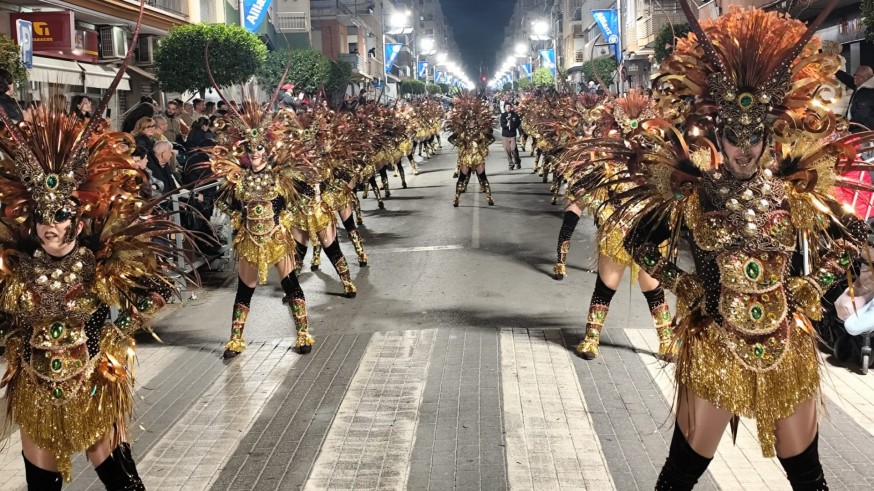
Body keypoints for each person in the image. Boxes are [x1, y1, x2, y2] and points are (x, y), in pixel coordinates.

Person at [612, 5, 874, 489]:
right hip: (715, 346)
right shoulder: (693, 190)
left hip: (785, 345)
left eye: (755, 137)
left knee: (809, 477)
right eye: (734, 135)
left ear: (768, 137)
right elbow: (638, 243)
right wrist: (685, 284)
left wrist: (809, 285)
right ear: (718, 133)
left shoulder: (793, 190)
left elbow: (849, 240)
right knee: (681, 473)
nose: (745, 148)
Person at [0, 56, 186, 488]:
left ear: (77, 221)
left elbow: (152, 293)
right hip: (35, 387)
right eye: (42, 214)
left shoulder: (101, 264)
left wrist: (120, 315)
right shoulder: (17, 270)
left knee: (121, 480)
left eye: (61, 213)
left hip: (94, 380)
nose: (51, 223)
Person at [556, 90, 674, 360]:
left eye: (640, 133)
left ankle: (666, 340)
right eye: (627, 131)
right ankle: (591, 337)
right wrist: (596, 204)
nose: (634, 139)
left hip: (649, 231)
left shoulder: (659, 163)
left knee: (651, 284)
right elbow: (590, 191)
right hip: (618, 230)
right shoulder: (607, 163)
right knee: (607, 283)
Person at [212, 94, 318, 359]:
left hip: (277, 238)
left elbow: (302, 195)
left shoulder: (280, 177)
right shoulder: (238, 180)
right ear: (246, 153)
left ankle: (303, 333)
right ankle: (236, 339)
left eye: (260, 149)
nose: (255, 153)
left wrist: (286, 220)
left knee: (291, 283)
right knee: (244, 289)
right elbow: (224, 203)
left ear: (266, 150)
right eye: (251, 149)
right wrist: (239, 220)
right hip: (249, 239)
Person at [447, 94, 495, 207]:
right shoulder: (462, 131)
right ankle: (456, 198)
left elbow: (492, 138)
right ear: (466, 121)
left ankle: (489, 197)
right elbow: (451, 139)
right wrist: (461, 145)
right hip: (467, 157)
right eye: (469, 121)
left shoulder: (481, 131)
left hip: (478, 156)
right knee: (462, 178)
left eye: (473, 120)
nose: (471, 122)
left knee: (483, 177)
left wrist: (482, 145)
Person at [837, 65, 874, 132]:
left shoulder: (869, 93)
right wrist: (836, 71)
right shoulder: (863, 84)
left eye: (855, 75)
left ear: (862, 78)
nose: (854, 77)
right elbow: (849, 80)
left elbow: (861, 116)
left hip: (861, 130)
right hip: (856, 127)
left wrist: (846, 126)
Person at [500, 102, 522, 170]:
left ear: (511, 107)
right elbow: (502, 124)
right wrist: (506, 125)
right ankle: (510, 164)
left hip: (512, 135)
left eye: (509, 107)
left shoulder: (515, 115)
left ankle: (517, 161)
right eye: (507, 107)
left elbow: (518, 123)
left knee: (513, 149)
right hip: (505, 135)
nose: (508, 108)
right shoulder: (503, 115)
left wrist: (513, 126)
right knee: (507, 150)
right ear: (504, 108)